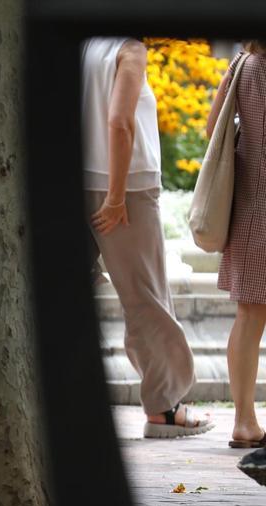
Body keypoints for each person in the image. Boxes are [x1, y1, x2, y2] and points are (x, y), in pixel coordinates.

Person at [81, 37, 214, 438]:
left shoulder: (81, 44)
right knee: (146, 298)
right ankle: (164, 407)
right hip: (127, 189)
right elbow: (120, 122)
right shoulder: (129, 49)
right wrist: (117, 196)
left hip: (81, 177)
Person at [209, 40, 266, 477]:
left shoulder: (242, 63)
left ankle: (244, 420)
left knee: (248, 315)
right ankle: (246, 421)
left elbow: (214, 127)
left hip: (247, 200)